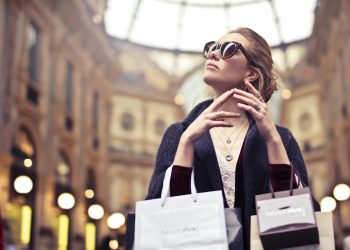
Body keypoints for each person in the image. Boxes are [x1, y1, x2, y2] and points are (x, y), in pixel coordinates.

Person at [145, 27, 320, 249]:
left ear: (251, 73)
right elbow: (160, 210)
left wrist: (273, 141)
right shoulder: (179, 134)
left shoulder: (281, 138)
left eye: (228, 49)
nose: (213, 54)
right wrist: (186, 144)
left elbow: (298, 216)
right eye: (212, 48)